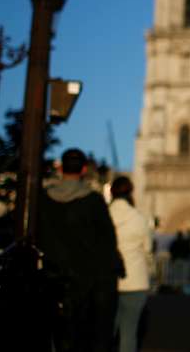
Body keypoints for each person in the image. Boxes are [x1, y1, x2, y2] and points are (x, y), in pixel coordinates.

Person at [37, 148, 123, 352]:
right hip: (86, 280)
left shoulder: (44, 200)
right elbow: (108, 241)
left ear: (60, 168)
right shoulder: (93, 201)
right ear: (84, 169)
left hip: (52, 277)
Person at [109, 176, 152, 352]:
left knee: (106, 332)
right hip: (135, 281)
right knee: (129, 332)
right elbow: (148, 248)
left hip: (109, 281)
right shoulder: (139, 218)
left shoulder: (104, 215)